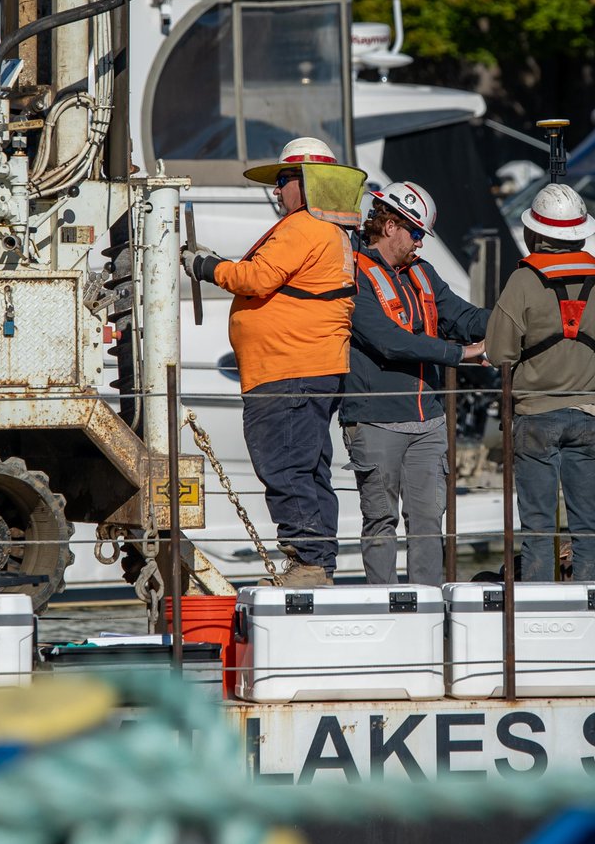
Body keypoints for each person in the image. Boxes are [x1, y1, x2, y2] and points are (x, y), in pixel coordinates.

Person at [182, 137, 364, 586]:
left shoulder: (304, 227)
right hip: (309, 368)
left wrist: (204, 265)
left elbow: (257, 277)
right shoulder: (330, 231)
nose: (278, 190)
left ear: (308, 184)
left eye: (285, 180)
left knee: (285, 466)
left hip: (288, 371)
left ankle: (307, 565)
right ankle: (317, 564)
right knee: (309, 470)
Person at [340, 182, 490, 586]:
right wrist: (461, 354)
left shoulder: (422, 273)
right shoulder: (352, 272)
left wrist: (515, 320)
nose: (420, 244)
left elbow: (463, 317)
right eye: (416, 233)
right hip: (375, 423)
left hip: (429, 424)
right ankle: (384, 609)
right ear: (390, 226)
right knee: (380, 522)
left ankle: (426, 609)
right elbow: (389, 342)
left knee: (427, 523)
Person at [485, 183, 595, 582]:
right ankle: (594, 606)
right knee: (588, 527)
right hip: (588, 412)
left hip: (536, 415)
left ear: (535, 233)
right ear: (580, 232)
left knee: (539, 529)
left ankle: (537, 610)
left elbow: (499, 352)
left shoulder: (523, 281)